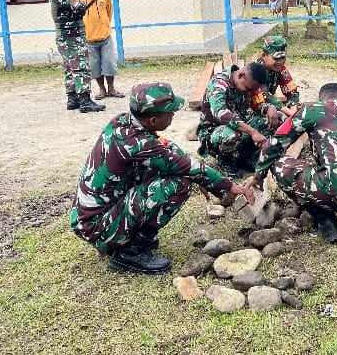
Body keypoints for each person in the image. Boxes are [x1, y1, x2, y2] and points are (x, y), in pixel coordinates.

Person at [70, 82, 255, 274]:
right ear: (152, 119)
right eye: (170, 111)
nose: (174, 114)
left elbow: (167, 148)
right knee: (179, 183)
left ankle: (129, 237)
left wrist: (199, 174)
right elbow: (181, 165)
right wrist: (226, 186)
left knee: (173, 171)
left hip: (94, 216)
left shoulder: (126, 122)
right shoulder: (136, 143)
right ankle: (130, 253)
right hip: (96, 226)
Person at [246, 82, 337, 243]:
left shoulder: (312, 109)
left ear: (321, 98)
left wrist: (259, 174)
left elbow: (273, 145)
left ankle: (326, 221)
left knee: (278, 164)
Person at [197, 62, 279, 178]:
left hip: (239, 127)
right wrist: (252, 132)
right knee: (232, 134)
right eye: (248, 89)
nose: (249, 93)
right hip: (214, 133)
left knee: (274, 119)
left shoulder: (248, 84)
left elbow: (257, 105)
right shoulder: (219, 84)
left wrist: (270, 107)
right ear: (240, 76)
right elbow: (221, 114)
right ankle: (225, 161)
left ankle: (244, 156)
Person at [49, 0, 105, 113]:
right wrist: (79, 5)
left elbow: (79, 7)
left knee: (70, 68)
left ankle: (73, 99)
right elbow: (80, 8)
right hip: (71, 37)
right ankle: (85, 101)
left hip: (67, 37)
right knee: (81, 67)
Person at [74, 0, 124, 100]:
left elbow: (109, 14)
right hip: (88, 39)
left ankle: (111, 89)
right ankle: (102, 90)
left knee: (109, 64)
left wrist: (103, 26)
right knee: (94, 66)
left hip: (105, 37)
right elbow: (74, 15)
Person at [255, 35, 300, 117]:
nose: (280, 62)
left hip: (269, 105)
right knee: (280, 117)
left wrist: (293, 107)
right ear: (264, 56)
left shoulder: (280, 69)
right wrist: (290, 113)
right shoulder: (256, 70)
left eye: (283, 57)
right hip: (252, 108)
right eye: (276, 58)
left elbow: (292, 92)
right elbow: (265, 96)